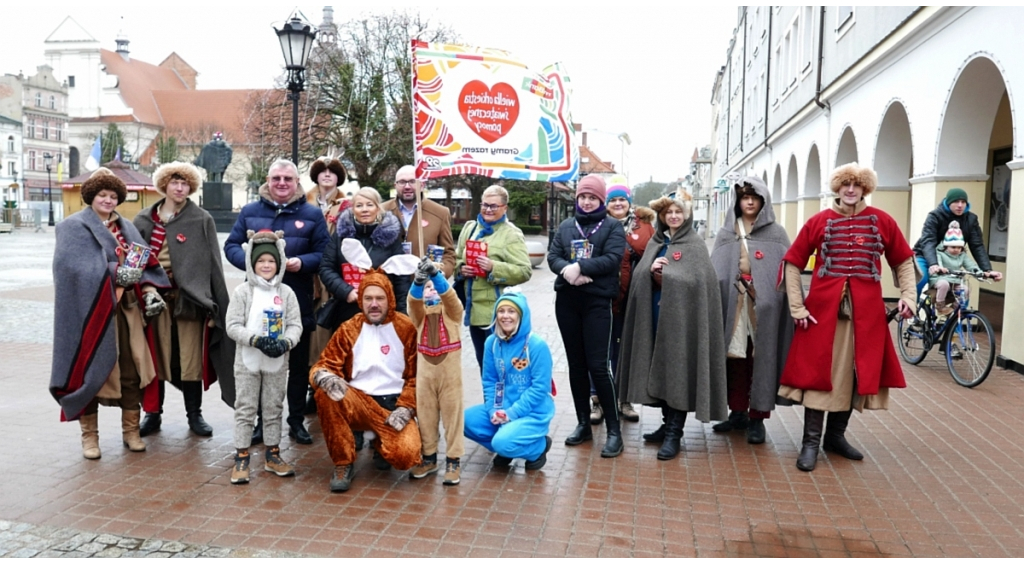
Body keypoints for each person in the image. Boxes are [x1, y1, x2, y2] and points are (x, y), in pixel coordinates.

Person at [778, 163, 917, 472]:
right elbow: (792, 262)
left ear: (864, 189)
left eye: (857, 185)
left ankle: (835, 437)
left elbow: (903, 260)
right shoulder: (818, 222)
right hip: (822, 314)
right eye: (845, 185)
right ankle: (810, 443)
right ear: (837, 188)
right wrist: (797, 306)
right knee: (819, 374)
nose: (851, 190)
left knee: (857, 374)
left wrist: (909, 296)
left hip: (866, 316)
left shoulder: (882, 221)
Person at [49, 168, 170, 459]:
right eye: (102, 194)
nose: (108, 200)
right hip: (89, 314)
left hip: (126, 313)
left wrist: (150, 291)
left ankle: (131, 432)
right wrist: (116, 273)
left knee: (130, 372)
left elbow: (146, 265)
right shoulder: (72, 226)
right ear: (91, 196)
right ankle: (89, 438)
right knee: (90, 372)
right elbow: (70, 270)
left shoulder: (126, 227)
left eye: (113, 195)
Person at [224, 159, 330, 446]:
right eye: (276, 178)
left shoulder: (312, 213)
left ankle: (295, 421)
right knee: (259, 366)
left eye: (288, 178)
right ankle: (260, 423)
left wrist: (302, 262)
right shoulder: (250, 211)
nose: (282, 183)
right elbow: (231, 245)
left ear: (297, 183)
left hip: (296, 299)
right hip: (257, 304)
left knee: (297, 367)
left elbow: (324, 253)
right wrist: (250, 266)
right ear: (267, 181)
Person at [616, 190, 728, 461]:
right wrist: (651, 269)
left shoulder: (695, 245)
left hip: (682, 325)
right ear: (662, 217)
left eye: (678, 212)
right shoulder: (656, 242)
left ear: (686, 215)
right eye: (669, 213)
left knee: (678, 370)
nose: (674, 216)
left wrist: (669, 274)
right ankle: (667, 424)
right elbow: (640, 278)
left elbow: (700, 284)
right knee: (661, 368)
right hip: (654, 318)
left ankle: (674, 434)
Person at [134, 162, 234, 438]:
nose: (179, 188)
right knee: (155, 360)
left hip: (191, 302)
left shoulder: (201, 219)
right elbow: (134, 262)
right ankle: (152, 414)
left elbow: (214, 264)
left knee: (191, 360)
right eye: (174, 182)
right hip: (154, 302)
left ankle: (195, 414)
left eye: (185, 183)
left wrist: (217, 307)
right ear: (164, 185)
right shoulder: (144, 220)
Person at [309, 268, 422, 493]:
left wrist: (406, 408)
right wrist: (325, 378)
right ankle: (343, 463)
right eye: (368, 298)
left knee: (406, 455)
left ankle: (382, 444)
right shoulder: (349, 328)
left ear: (389, 298)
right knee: (325, 393)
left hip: (392, 406)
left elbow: (415, 377)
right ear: (360, 299)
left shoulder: (406, 327)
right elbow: (323, 365)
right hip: (357, 401)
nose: (374, 304)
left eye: (380, 298)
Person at [319, 186, 410, 453]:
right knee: (350, 368)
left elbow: (401, 276)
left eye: (369, 205)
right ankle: (354, 426)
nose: (364, 210)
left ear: (378, 208)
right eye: (359, 205)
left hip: (382, 316)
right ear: (352, 209)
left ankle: (379, 427)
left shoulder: (391, 238)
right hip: (349, 313)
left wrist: (400, 312)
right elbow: (326, 267)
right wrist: (346, 292)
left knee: (379, 368)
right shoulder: (340, 236)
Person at [548, 176, 627, 458]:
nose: (587, 201)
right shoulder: (568, 226)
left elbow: (612, 258)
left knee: (598, 365)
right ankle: (583, 422)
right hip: (568, 302)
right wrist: (566, 270)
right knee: (576, 365)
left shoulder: (613, 226)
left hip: (596, 303)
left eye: (592, 197)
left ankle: (615, 431)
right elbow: (553, 255)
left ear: (601, 201)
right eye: (583, 197)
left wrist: (579, 267)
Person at [709, 177, 792, 444]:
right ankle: (737, 412)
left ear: (762, 202)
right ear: (738, 201)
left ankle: (757, 418)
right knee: (735, 357)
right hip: (733, 303)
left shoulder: (776, 233)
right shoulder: (726, 233)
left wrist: (766, 291)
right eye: (745, 198)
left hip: (763, 306)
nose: (749, 202)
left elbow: (784, 270)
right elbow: (717, 270)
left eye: (754, 198)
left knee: (761, 358)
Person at [224, 230, 303, 484]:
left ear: (279, 263)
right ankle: (242, 457)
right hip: (247, 360)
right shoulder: (243, 292)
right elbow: (232, 325)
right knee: (245, 408)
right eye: (261, 261)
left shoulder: (287, 293)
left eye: (271, 261)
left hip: (276, 361)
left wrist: (287, 342)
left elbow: (295, 325)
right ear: (252, 263)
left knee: (273, 407)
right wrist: (255, 339)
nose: (266, 265)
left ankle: (272, 454)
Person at [464, 292, 554, 470]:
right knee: (465, 420)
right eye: (501, 311)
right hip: (503, 406)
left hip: (532, 412)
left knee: (502, 442)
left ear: (521, 315)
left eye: (511, 311)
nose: (505, 316)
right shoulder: (491, 343)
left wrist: (511, 413)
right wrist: (493, 410)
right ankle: (507, 448)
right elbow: (490, 380)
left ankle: (538, 448)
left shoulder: (536, 345)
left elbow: (540, 388)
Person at [455, 185, 533, 370]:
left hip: (498, 312)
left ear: (504, 208)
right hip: (473, 311)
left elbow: (524, 271)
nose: (488, 210)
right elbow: (457, 258)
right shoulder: (470, 228)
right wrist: (462, 269)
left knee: (501, 366)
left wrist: (493, 268)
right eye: (485, 205)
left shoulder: (511, 234)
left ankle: (505, 399)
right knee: (484, 366)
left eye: (493, 206)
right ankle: (490, 399)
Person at [407, 258, 465, 485]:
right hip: (426, 376)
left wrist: (436, 276)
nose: (432, 290)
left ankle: (453, 459)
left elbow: (452, 299)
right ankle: (429, 457)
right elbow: (412, 303)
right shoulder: (420, 315)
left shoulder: (452, 312)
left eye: (435, 286)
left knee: (453, 415)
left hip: (450, 377)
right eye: (428, 287)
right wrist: (418, 282)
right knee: (426, 415)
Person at [602, 180, 655, 425]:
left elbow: (656, 254)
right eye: (613, 200)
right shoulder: (597, 225)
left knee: (625, 351)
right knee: (600, 350)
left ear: (629, 203)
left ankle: (624, 398)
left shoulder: (645, 228)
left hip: (632, 300)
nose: (618, 203)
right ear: (607, 203)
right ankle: (598, 399)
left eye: (622, 199)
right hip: (602, 298)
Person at [306, 156, 351, 407]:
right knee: (309, 334)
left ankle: (328, 386)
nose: (326, 175)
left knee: (328, 333)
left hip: (333, 278)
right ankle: (311, 384)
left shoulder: (347, 205)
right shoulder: (305, 201)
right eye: (321, 171)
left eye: (331, 172)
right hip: (307, 275)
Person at [913, 187, 1002, 297]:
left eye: (963, 202)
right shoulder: (935, 216)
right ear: (948, 202)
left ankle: (959, 314)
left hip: (951, 259)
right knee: (920, 280)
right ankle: (910, 311)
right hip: (926, 256)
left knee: (962, 292)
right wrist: (933, 264)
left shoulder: (971, 219)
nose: (960, 205)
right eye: (956, 201)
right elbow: (928, 241)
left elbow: (977, 245)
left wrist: (987, 270)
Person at [382, 165, 456, 278]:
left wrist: (438, 274)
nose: (407, 186)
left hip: (425, 287)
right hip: (389, 285)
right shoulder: (381, 211)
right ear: (395, 186)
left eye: (412, 181)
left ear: (422, 185)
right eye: (402, 182)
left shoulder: (440, 213)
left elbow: (448, 254)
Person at [931, 221, 990, 316]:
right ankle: (940, 307)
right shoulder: (939, 253)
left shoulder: (962, 255)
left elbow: (971, 265)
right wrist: (940, 268)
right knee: (944, 284)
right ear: (946, 246)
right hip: (940, 278)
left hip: (955, 281)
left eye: (959, 247)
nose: (956, 250)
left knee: (965, 290)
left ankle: (953, 309)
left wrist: (980, 273)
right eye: (953, 247)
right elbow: (938, 263)